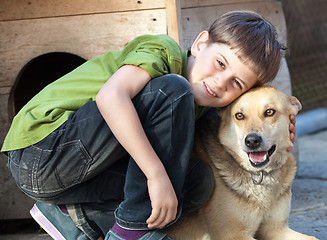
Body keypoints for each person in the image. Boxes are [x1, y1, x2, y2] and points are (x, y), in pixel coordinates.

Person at [2, 11, 296, 240]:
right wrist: (156, 176)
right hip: (43, 149)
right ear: (200, 43)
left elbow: (234, 127)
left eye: (236, 83)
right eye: (220, 63)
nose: (220, 83)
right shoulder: (164, 53)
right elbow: (111, 97)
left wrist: (278, 129)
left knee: (198, 182)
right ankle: (131, 231)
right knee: (173, 91)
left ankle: (75, 217)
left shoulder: (200, 107)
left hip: (75, 176)